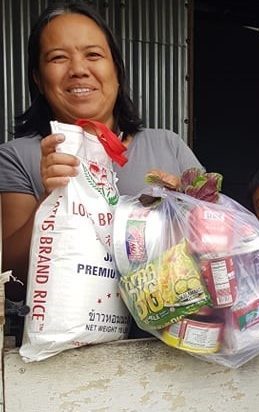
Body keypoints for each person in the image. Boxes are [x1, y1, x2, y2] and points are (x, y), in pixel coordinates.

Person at [0, 2, 202, 304]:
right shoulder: (17, 157)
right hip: (70, 342)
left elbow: (217, 246)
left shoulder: (167, 146)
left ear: (117, 71)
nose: (79, 70)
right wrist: (50, 200)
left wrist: (186, 209)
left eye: (93, 55)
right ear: (38, 79)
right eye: (58, 58)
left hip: (170, 336)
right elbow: (11, 282)